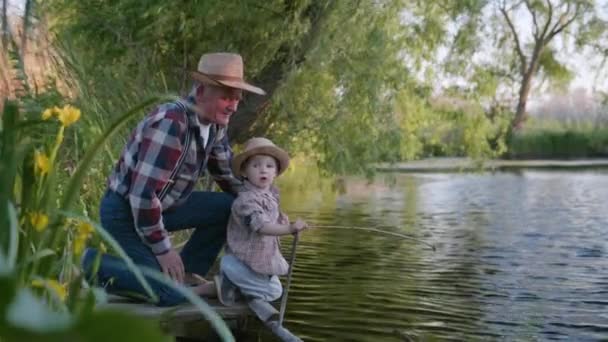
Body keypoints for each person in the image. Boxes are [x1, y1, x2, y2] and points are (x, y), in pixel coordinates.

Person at [81, 52, 266, 306]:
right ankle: (91, 263)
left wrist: (263, 206)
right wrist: (164, 250)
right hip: (125, 212)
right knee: (168, 295)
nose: (233, 106)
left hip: (165, 206)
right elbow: (142, 196)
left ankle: (187, 273)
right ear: (201, 91)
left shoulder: (215, 125)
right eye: (226, 97)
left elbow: (228, 176)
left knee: (229, 206)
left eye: (237, 98)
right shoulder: (171, 123)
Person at [214, 137, 308, 342]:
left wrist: (291, 226)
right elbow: (262, 227)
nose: (263, 170)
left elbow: (275, 219)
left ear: (275, 172)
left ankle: (233, 287)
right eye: (256, 165)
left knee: (275, 289)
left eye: (269, 166)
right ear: (245, 172)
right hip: (241, 261)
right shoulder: (245, 201)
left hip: (260, 262)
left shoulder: (271, 196)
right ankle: (232, 280)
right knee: (235, 267)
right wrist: (289, 228)